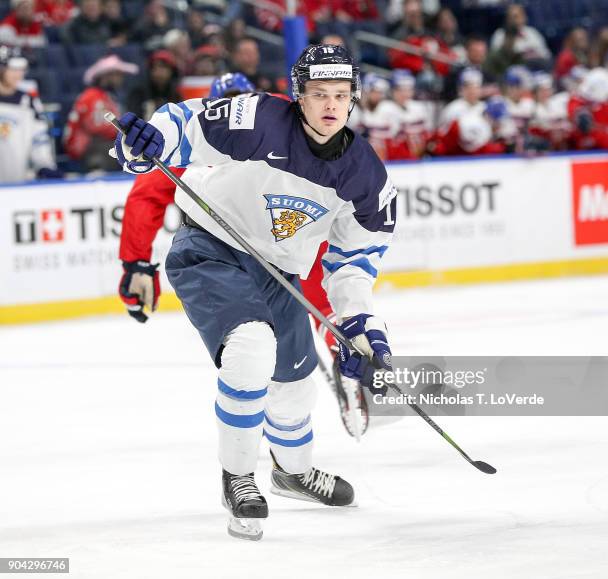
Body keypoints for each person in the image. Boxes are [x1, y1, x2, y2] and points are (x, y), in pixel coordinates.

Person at [110, 44, 397, 541]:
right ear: (298, 96)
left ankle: (293, 472)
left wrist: (360, 325)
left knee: (295, 384)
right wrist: (147, 142)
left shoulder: (366, 174)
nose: (330, 104)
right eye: (318, 94)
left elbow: (353, 260)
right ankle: (238, 476)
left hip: (280, 270)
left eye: (340, 95)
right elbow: (184, 125)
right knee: (250, 348)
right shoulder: (258, 117)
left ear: (352, 101)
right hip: (211, 247)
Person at [64, 54, 138, 171]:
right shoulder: (93, 96)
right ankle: (97, 171)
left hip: (97, 146)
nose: (120, 78)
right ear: (105, 77)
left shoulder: (105, 96)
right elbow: (99, 128)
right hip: (88, 149)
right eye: (117, 74)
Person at [0, 45, 60, 183]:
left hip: (16, 183)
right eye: (13, 69)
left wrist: (44, 165)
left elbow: (38, 138)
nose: (19, 74)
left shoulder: (28, 102)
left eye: (22, 69)